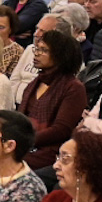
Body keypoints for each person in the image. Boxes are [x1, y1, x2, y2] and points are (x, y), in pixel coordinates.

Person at [17, 28, 87, 168]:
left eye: (44, 50)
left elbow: (61, 130)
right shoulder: (34, 83)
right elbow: (20, 119)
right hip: (25, 145)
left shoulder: (73, 87)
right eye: (36, 49)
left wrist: (24, 140)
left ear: (61, 55)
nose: (36, 54)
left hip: (51, 152)